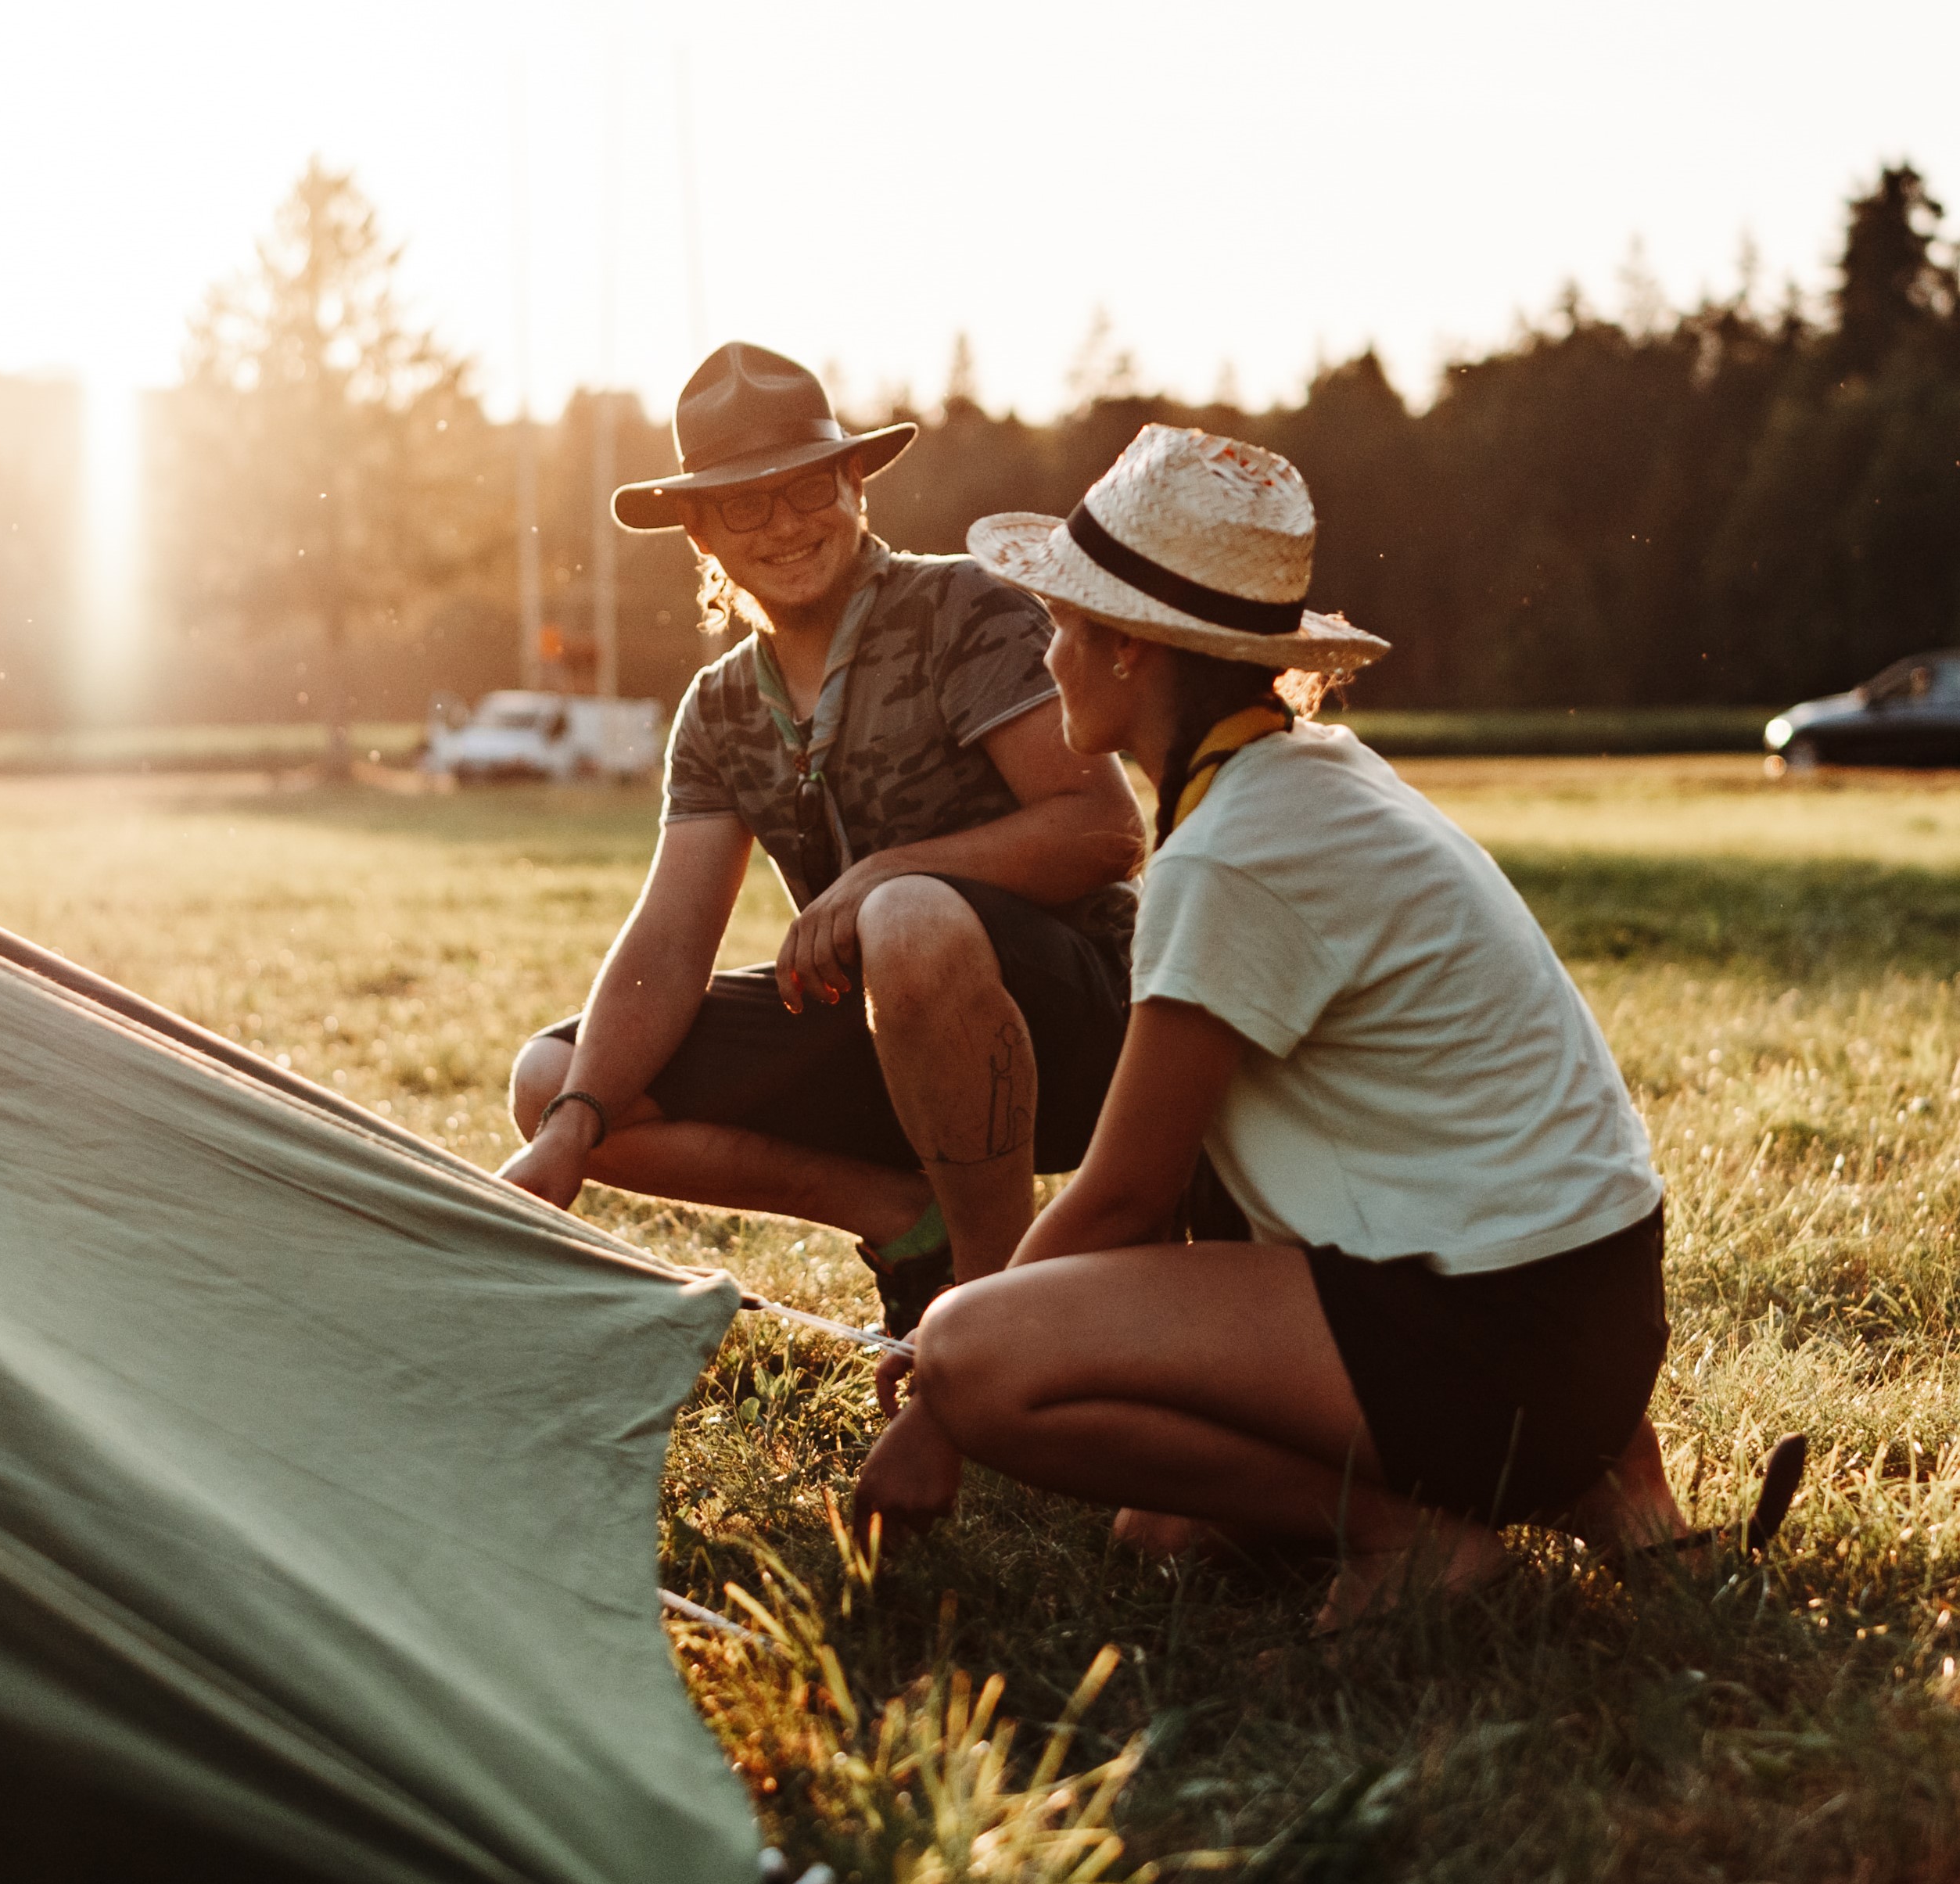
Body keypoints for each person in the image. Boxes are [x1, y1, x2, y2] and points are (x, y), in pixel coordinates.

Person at [851, 424, 1689, 1628]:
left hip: (1500, 1336)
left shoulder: (1236, 848)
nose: (1048, 652)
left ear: (1130, 648)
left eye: (1063, 623)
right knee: (1159, 1525)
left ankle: (1413, 1542)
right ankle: (1558, 1482)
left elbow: (1124, 1195)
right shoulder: (1310, 776)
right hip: (1577, 1324)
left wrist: (940, 1387)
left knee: (980, 1361)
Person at [501, 343, 1147, 1333]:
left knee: (908, 917)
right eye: (743, 505)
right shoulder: (718, 706)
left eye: (807, 487)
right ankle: (908, 1223)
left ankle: (988, 1316)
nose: (784, 525)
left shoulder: (960, 607)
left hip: (1082, 1033)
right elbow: (669, 943)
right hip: (885, 1037)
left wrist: (888, 873)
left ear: (854, 482)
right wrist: (573, 1128)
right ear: (698, 529)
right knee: (554, 1081)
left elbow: (1102, 830)